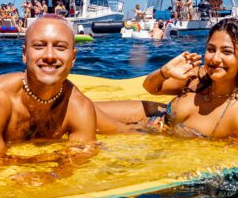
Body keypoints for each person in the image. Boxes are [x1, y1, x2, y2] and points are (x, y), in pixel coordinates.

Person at [0, 16, 97, 181]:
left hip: (63, 101)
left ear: (73, 58)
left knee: (119, 126)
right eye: (39, 46)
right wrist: (44, 160)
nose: (49, 55)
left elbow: (81, 157)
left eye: (60, 47)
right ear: (24, 54)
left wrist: (54, 175)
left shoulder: (80, 106)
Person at [95, 19, 238, 138]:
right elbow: (150, 87)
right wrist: (165, 71)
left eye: (227, 52)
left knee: (81, 117)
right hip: (151, 116)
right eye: (211, 49)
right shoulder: (197, 76)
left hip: (152, 137)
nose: (215, 58)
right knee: (84, 108)